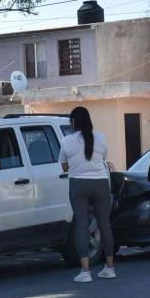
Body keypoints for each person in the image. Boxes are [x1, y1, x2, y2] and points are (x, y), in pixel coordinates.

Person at [59, 106, 116, 283]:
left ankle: (85, 271)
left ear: (73, 122)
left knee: (82, 225)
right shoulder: (101, 137)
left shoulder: (67, 140)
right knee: (104, 225)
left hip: (78, 185)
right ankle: (110, 268)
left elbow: (63, 165)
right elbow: (104, 158)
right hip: (100, 184)